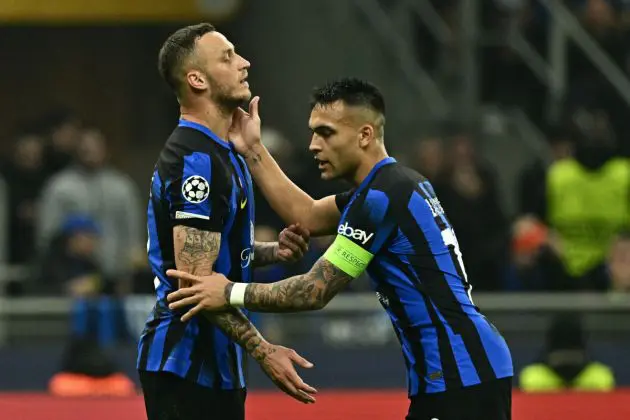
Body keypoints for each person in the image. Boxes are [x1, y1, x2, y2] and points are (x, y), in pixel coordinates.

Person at [167, 78, 514, 420]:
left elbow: (311, 291)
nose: (314, 145)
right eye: (313, 132)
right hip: (465, 369)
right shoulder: (396, 184)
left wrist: (227, 291)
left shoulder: (379, 198)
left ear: (364, 135)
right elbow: (308, 215)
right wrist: (254, 149)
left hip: (460, 373)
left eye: (326, 133)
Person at [136, 23, 317, 420]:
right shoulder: (195, 161)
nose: (244, 63)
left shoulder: (226, 152)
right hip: (185, 365)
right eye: (228, 57)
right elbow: (196, 285)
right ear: (196, 79)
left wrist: (271, 252)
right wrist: (264, 349)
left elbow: (216, 256)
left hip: (218, 366)